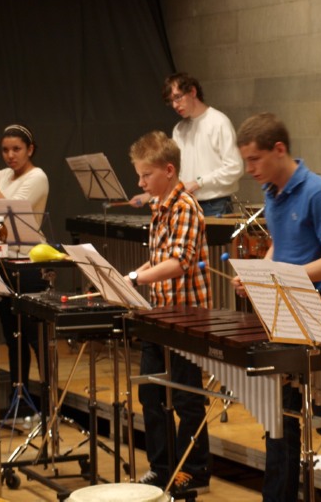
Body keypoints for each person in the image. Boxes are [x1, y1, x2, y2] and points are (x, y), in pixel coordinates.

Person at [234, 113, 321, 502]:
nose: (249, 168)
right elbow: (279, 246)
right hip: (284, 317)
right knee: (279, 423)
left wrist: (285, 276)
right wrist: (260, 273)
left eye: (254, 159)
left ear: (279, 150)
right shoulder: (272, 192)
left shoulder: (318, 193)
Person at [126, 131, 212, 495]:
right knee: (151, 395)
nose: (141, 183)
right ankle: (161, 469)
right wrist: (130, 277)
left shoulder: (185, 208)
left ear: (169, 170)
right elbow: (159, 258)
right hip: (159, 315)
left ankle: (195, 469)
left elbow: (179, 263)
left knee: (187, 399)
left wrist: (137, 278)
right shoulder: (159, 207)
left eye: (146, 175)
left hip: (186, 318)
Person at [0, 124, 49, 398]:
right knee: (13, 337)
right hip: (3, 261)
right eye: (5, 150)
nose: (10, 155)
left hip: (28, 263)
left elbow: (7, 208)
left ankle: (48, 399)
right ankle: (18, 397)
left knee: (34, 336)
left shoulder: (37, 176)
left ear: (30, 149)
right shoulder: (5, 174)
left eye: (16, 149)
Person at [131, 73, 244, 217]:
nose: (174, 105)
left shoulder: (218, 122)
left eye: (178, 97)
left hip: (215, 205)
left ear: (192, 91)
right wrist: (150, 195)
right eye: (171, 101)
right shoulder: (179, 129)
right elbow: (175, 173)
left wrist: (199, 183)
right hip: (185, 203)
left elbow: (235, 168)